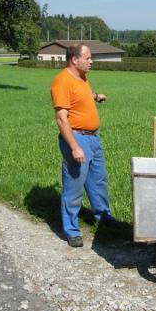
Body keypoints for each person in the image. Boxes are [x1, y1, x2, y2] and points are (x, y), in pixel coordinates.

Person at [51, 43, 114, 247]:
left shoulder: (81, 78)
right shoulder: (62, 81)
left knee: (98, 180)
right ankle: (71, 229)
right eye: (87, 58)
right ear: (74, 60)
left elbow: (81, 97)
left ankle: (103, 217)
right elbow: (61, 119)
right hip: (77, 138)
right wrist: (74, 147)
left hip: (93, 138)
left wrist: (96, 97)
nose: (91, 61)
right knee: (74, 185)